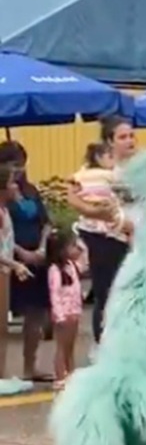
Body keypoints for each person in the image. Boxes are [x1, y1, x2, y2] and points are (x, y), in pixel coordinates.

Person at [66, 116, 136, 346]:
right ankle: (104, 349)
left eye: (131, 135)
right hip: (105, 238)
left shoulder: (141, 166)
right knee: (108, 294)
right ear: (110, 142)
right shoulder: (95, 170)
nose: (130, 141)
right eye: (123, 137)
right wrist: (100, 214)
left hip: (136, 237)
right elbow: (74, 197)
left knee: (133, 296)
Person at [0, 141, 52, 383]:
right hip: (12, 259)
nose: (19, 170)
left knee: (36, 314)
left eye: (22, 164)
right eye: (14, 165)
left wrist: (41, 247)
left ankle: (30, 366)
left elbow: (46, 221)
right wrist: (21, 254)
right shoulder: (4, 195)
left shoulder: (31, 190)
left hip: (37, 257)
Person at [0, 164, 33, 393]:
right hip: (2, 270)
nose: (15, 187)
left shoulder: (4, 210)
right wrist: (14, 263)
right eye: (12, 182)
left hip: (5, 269)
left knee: (2, 327)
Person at [72, 142, 133, 243]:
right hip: (107, 213)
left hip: (88, 220)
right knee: (129, 227)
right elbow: (124, 185)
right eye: (110, 157)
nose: (114, 161)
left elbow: (73, 180)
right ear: (98, 158)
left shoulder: (83, 173)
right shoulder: (108, 174)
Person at [46, 229, 84, 390]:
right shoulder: (55, 270)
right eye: (72, 246)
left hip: (74, 312)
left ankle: (71, 373)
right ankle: (60, 376)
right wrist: (59, 315)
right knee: (62, 346)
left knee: (70, 346)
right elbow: (54, 294)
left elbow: (85, 259)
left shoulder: (72, 266)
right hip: (63, 314)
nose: (76, 249)